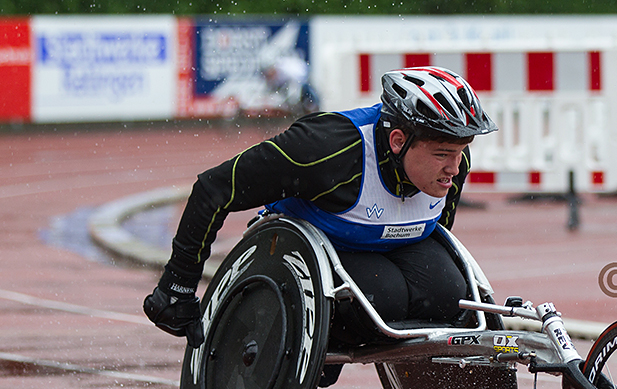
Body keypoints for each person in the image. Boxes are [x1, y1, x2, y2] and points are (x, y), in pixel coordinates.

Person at [143, 66, 497, 356]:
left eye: (460, 151)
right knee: (383, 299)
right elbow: (213, 188)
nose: (455, 166)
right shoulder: (325, 150)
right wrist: (178, 285)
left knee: (451, 295)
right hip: (311, 249)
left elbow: (438, 236)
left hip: (388, 246)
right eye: (442, 154)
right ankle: (315, 341)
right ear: (398, 142)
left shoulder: (453, 161)